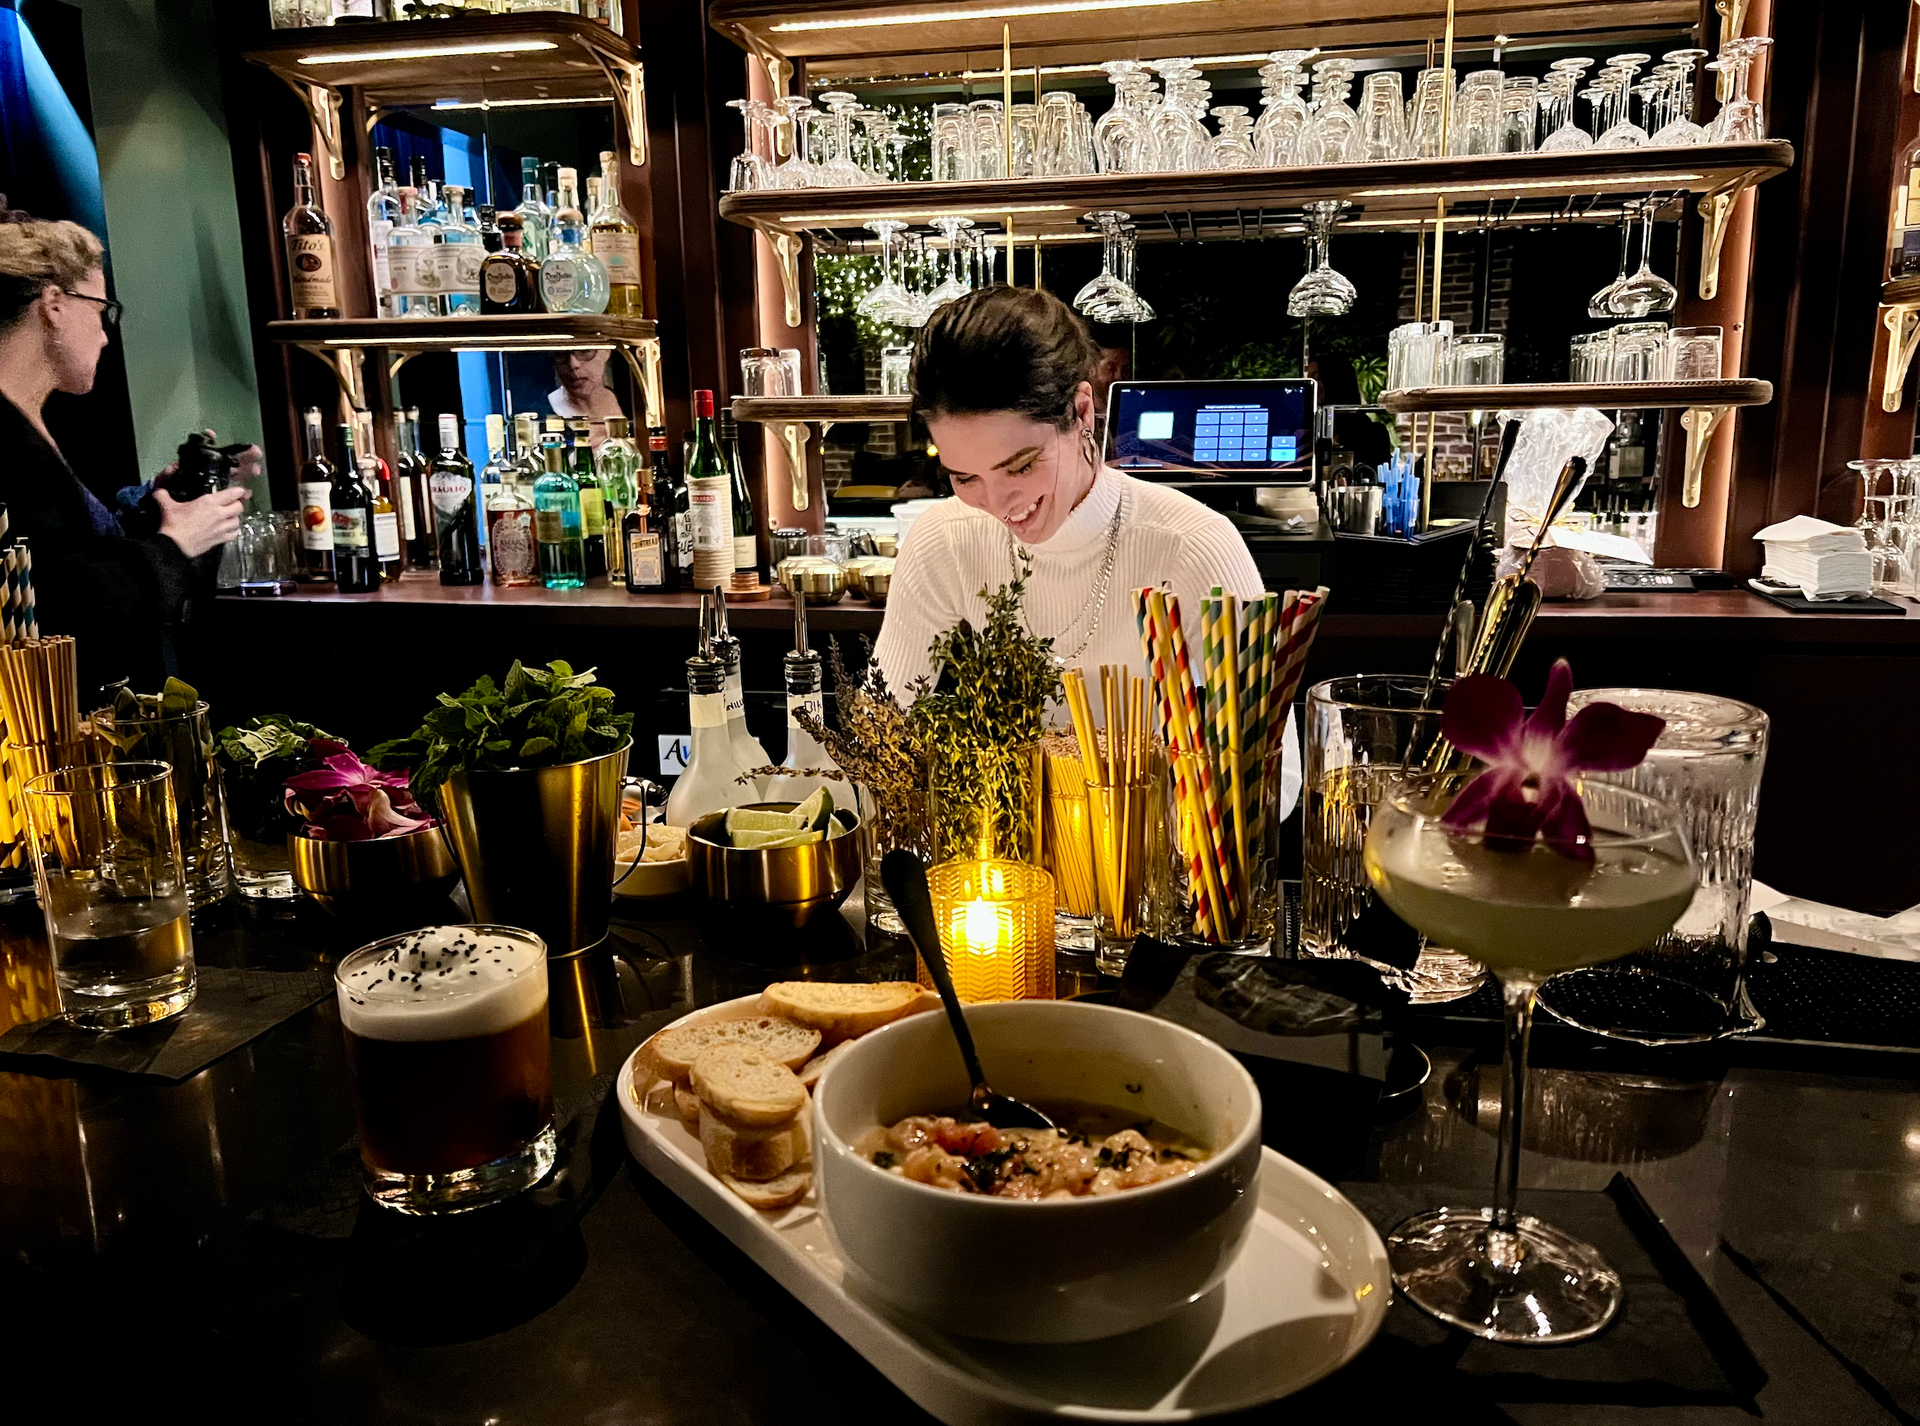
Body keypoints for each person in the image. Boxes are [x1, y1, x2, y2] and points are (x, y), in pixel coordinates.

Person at [875, 284, 1300, 818]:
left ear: (1082, 410)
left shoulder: (1192, 547)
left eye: (1022, 465)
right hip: (1009, 875)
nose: (999, 504)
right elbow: (882, 730)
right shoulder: (945, 540)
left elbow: (1274, 780)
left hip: (1158, 879)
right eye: (966, 476)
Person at [0, 214, 249, 695]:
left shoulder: (22, 424)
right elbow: (69, 600)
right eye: (101, 310)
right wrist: (174, 546)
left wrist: (158, 509)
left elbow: (67, 554)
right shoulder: (5, 441)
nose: (104, 336)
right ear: (53, 305)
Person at [548, 348, 626, 445]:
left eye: (584, 351)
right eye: (561, 354)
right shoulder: (544, 410)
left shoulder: (631, 405)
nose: (573, 364)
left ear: (605, 352)